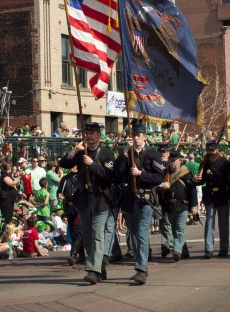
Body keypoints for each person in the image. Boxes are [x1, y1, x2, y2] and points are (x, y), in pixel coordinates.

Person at [60, 122, 115, 285]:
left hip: (100, 199)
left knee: (98, 235)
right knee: (88, 236)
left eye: (92, 133)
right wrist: (75, 150)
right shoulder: (81, 152)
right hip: (84, 200)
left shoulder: (106, 153)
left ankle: (92, 270)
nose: (89, 136)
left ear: (99, 135)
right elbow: (64, 164)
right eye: (87, 133)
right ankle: (99, 267)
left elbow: (109, 175)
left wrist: (93, 164)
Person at [114, 123, 164, 285]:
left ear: (144, 137)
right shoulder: (126, 155)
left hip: (145, 200)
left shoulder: (152, 154)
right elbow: (117, 174)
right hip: (129, 200)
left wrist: (141, 174)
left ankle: (141, 269)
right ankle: (140, 264)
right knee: (133, 235)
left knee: (142, 233)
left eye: (138, 134)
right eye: (133, 135)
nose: (135, 137)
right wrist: (124, 153)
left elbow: (158, 178)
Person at [193, 140, 230, 259]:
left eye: (213, 150)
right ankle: (209, 249)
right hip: (210, 196)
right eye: (209, 150)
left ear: (217, 149)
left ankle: (224, 249)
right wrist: (197, 179)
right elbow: (202, 179)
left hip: (223, 195)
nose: (210, 152)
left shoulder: (225, 162)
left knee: (223, 223)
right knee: (209, 222)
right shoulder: (205, 161)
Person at [160, 150, 198, 261]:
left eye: (174, 160)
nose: (172, 163)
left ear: (179, 161)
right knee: (174, 230)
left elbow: (192, 190)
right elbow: (159, 191)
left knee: (180, 229)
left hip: (182, 205)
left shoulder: (186, 172)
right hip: (169, 205)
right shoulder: (165, 173)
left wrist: (194, 206)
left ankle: (177, 250)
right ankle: (184, 251)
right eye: (170, 160)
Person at [57, 165, 85, 265]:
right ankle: (81, 255)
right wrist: (59, 195)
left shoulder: (82, 177)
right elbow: (59, 190)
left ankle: (73, 255)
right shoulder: (65, 178)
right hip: (69, 208)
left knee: (77, 231)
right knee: (74, 232)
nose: (72, 167)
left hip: (78, 208)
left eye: (74, 165)